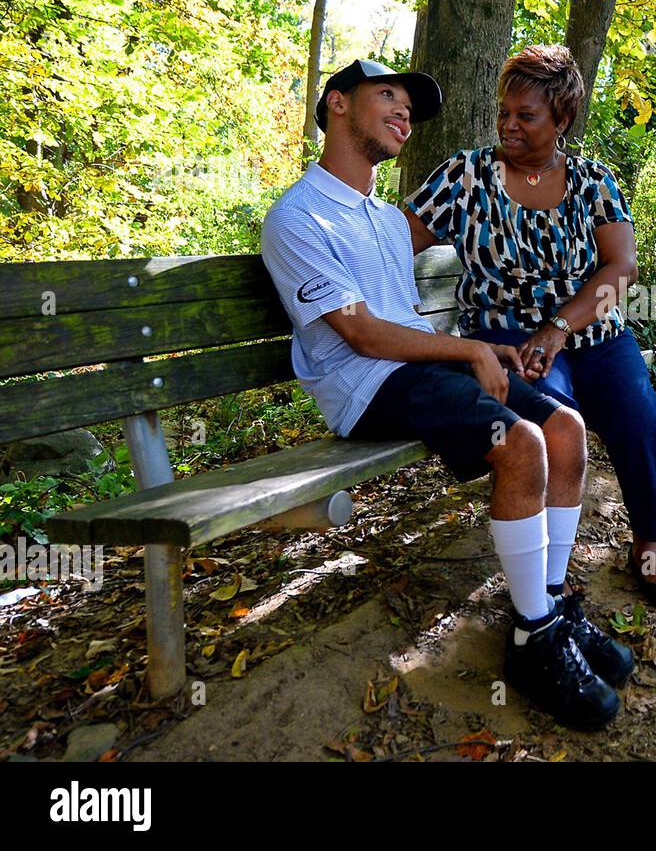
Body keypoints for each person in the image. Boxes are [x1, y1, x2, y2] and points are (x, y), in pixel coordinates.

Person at [260, 58, 632, 730]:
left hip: (418, 371)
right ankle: (533, 640)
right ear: (338, 105)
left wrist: (488, 345)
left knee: (567, 429)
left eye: (409, 105)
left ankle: (551, 607)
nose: (404, 112)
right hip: (364, 386)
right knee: (519, 444)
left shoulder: (379, 217)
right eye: (388, 98)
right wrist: (472, 346)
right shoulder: (298, 216)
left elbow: (412, 311)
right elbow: (364, 334)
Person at [403, 44, 656, 606]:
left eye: (526, 116)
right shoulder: (467, 177)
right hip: (505, 337)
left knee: (642, 421)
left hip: (593, 337)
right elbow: (391, 246)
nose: (509, 125)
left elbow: (621, 266)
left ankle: (648, 544)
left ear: (562, 119)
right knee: (557, 423)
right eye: (504, 111)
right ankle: (548, 582)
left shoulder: (592, 182)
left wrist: (560, 327)